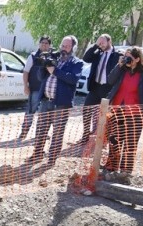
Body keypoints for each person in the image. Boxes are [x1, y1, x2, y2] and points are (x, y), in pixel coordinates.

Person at [102, 47, 143, 176]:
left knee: (130, 143)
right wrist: (119, 65)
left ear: (138, 59)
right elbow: (110, 81)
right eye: (125, 57)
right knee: (114, 139)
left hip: (135, 114)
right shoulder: (122, 69)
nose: (127, 60)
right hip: (116, 111)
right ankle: (111, 166)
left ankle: (125, 171)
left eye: (130, 58)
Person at [28, 35, 84, 166]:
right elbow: (41, 77)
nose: (64, 49)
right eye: (62, 46)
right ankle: (37, 154)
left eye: (67, 46)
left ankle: (52, 158)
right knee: (41, 129)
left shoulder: (77, 63)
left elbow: (73, 79)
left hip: (61, 103)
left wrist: (55, 71)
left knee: (58, 132)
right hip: (46, 100)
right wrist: (44, 66)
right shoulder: (55, 59)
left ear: (73, 48)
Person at [79, 34, 121, 143]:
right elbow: (86, 58)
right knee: (87, 109)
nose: (101, 45)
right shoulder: (97, 53)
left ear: (109, 42)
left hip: (107, 88)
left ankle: (103, 136)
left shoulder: (116, 55)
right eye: (99, 42)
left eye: (102, 42)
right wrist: (95, 46)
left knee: (105, 114)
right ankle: (86, 134)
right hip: (95, 87)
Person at [18, 36, 52, 140]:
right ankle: (23, 133)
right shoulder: (32, 56)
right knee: (30, 111)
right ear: (39, 43)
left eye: (46, 43)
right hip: (35, 89)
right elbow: (26, 72)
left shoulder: (53, 57)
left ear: (50, 45)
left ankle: (42, 134)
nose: (44, 45)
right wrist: (25, 86)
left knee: (45, 114)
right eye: (42, 42)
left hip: (48, 92)